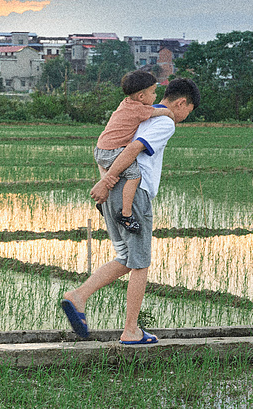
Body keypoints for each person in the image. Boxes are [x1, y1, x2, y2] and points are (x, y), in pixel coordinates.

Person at [60, 77, 201, 345]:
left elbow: (109, 147)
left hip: (115, 194)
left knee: (125, 257)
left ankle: (79, 296)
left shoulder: (140, 113)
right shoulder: (164, 121)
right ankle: (131, 330)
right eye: (188, 111)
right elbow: (135, 149)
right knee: (140, 263)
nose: (184, 117)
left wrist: (106, 184)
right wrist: (107, 181)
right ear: (182, 102)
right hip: (133, 193)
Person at [94, 70, 173, 231]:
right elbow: (159, 111)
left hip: (100, 149)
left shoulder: (125, 103)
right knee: (135, 176)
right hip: (112, 151)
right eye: (153, 92)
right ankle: (126, 214)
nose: (155, 97)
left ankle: (103, 202)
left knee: (109, 178)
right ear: (141, 97)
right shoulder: (140, 109)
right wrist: (169, 112)